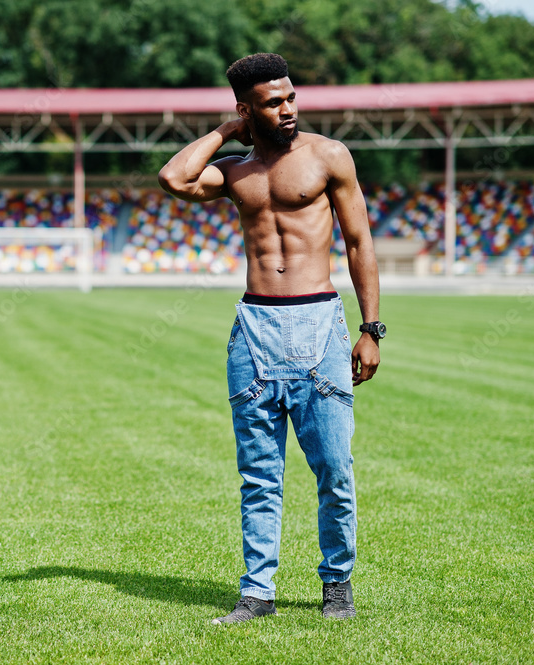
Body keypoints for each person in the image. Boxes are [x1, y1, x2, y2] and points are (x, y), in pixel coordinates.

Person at [158, 53, 383, 623]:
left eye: (290, 97)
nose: (287, 109)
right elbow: (173, 179)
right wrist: (223, 134)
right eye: (271, 102)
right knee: (259, 476)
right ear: (245, 109)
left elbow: (360, 243)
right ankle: (257, 593)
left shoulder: (329, 157)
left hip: (320, 324)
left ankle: (337, 585)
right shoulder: (235, 170)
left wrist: (370, 329)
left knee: (333, 468)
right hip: (254, 330)